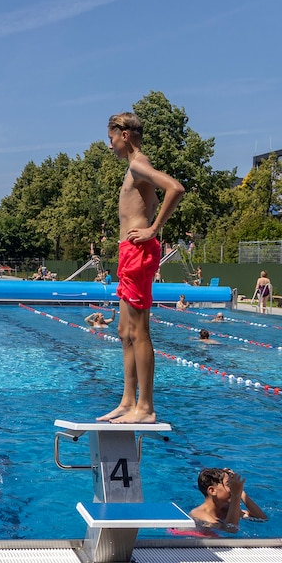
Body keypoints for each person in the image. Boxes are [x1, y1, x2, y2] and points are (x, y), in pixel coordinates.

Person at [97, 112, 185, 424]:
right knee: (123, 331)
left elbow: (175, 188)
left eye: (110, 139)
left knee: (138, 330)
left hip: (138, 249)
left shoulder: (138, 163)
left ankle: (145, 407)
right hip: (128, 251)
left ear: (124, 134)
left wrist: (153, 229)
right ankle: (127, 401)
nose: (110, 147)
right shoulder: (134, 166)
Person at [189, 468, 267, 533]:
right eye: (229, 485)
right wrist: (236, 495)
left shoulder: (225, 509)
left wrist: (240, 492)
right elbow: (230, 530)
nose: (233, 488)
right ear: (212, 491)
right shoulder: (199, 515)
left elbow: (261, 518)